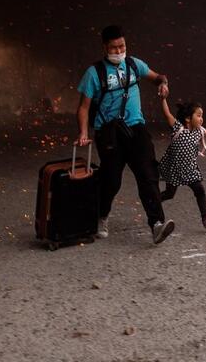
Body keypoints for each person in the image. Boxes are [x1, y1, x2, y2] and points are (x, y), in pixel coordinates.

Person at [75, 25, 175, 244]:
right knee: (111, 180)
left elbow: (158, 76)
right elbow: (83, 107)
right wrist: (84, 132)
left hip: (135, 128)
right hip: (108, 133)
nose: (119, 50)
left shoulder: (134, 64)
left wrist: (163, 84)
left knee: (148, 175)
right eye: (114, 47)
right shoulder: (95, 73)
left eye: (122, 46)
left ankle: (157, 224)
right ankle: (101, 216)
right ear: (105, 47)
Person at [158, 97, 206, 227]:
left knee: (199, 190)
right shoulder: (178, 128)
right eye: (199, 115)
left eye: (202, 116)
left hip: (190, 170)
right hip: (174, 170)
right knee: (170, 194)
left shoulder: (199, 132)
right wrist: (163, 99)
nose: (201, 119)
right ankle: (153, 201)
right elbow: (167, 114)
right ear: (188, 118)